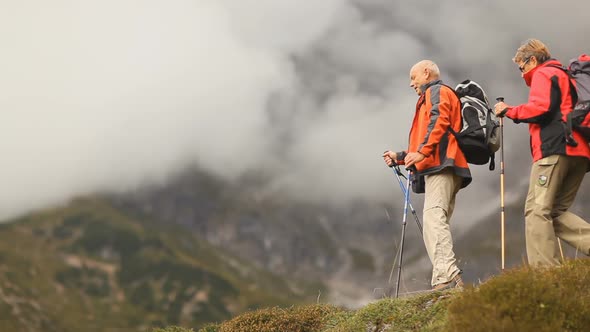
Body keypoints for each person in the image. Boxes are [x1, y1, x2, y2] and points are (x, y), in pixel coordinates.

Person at [494, 39, 590, 266]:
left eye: (521, 67)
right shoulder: (567, 76)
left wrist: (509, 110)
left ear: (533, 59)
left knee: (536, 210)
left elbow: (541, 108)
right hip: (579, 153)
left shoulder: (544, 74)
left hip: (554, 150)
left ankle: (546, 273)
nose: (521, 74)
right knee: (555, 212)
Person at [383, 60, 471, 290]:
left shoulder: (437, 91)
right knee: (437, 220)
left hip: (442, 164)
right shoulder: (430, 96)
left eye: (413, 78)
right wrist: (401, 156)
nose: (411, 83)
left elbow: (439, 122)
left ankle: (448, 277)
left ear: (426, 72)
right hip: (443, 163)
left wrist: (421, 152)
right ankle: (447, 278)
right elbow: (429, 134)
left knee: (433, 218)